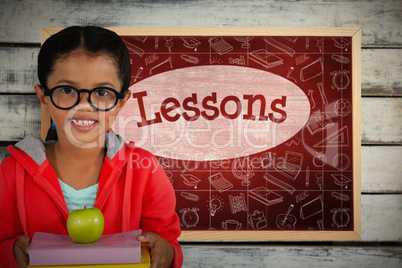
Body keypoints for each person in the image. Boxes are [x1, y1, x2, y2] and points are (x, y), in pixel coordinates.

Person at [0, 26, 183, 268]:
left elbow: (168, 244)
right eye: (66, 90)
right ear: (44, 98)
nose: (84, 105)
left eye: (102, 92)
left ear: (121, 102)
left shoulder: (144, 170)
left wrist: (165, 252)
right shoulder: (11, 173)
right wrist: (10, 251)